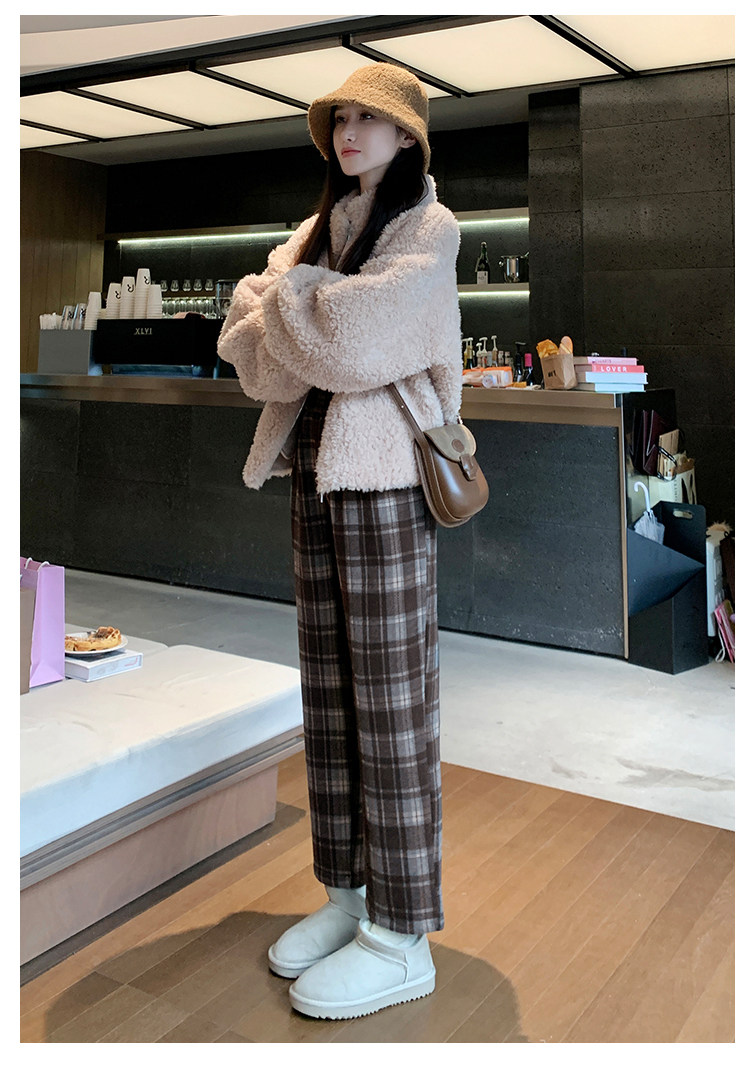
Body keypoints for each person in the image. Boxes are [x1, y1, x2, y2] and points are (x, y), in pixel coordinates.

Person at [217, 62, 462, 1020]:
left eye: (371, 119)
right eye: (341, 118)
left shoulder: (428, 229)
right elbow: (248, 354)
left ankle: (402, 935)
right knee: (328, 697)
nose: (350, 131)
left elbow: (355, 344)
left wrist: (292, 301)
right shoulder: (315, 231)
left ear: (408, 137)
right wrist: (309, 306)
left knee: (392, 705)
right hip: (313, 475)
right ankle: (348, 895)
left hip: (388, 481)